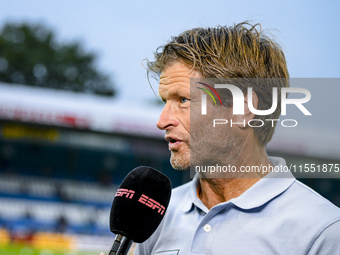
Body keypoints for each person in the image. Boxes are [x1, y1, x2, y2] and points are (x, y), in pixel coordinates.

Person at [132, 22, 340, 254]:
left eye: (183, 100)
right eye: (165, 101)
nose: (162, 121)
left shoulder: (323, 231)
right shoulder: (157, 213)